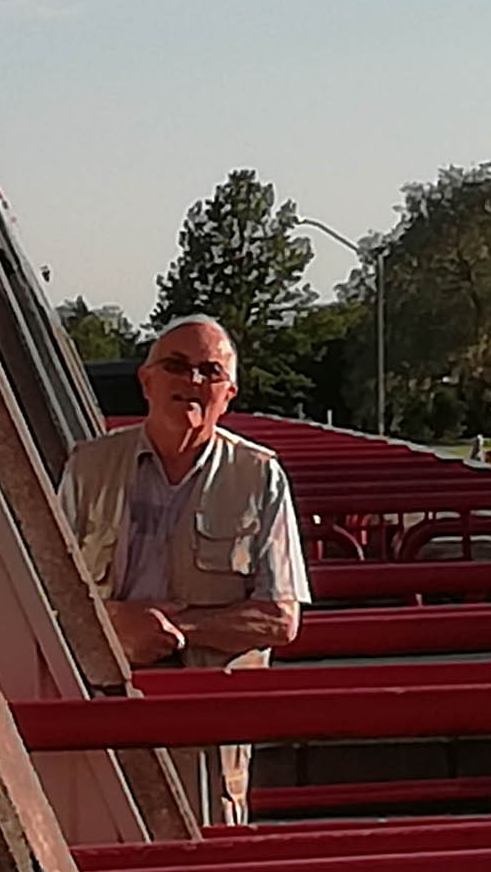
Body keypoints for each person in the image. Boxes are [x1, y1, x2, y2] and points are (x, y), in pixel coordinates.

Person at [58, 314, 311, 825]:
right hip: (105, 706)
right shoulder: (87, 467)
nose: (192, 381)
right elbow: (47, 595)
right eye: (176, 365)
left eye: (209, 371)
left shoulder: (260, 475)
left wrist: (175, 630)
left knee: (207, 865)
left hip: (210, 724)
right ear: (146, 381)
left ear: (229, 393)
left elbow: (282, 620)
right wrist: (113, 629)